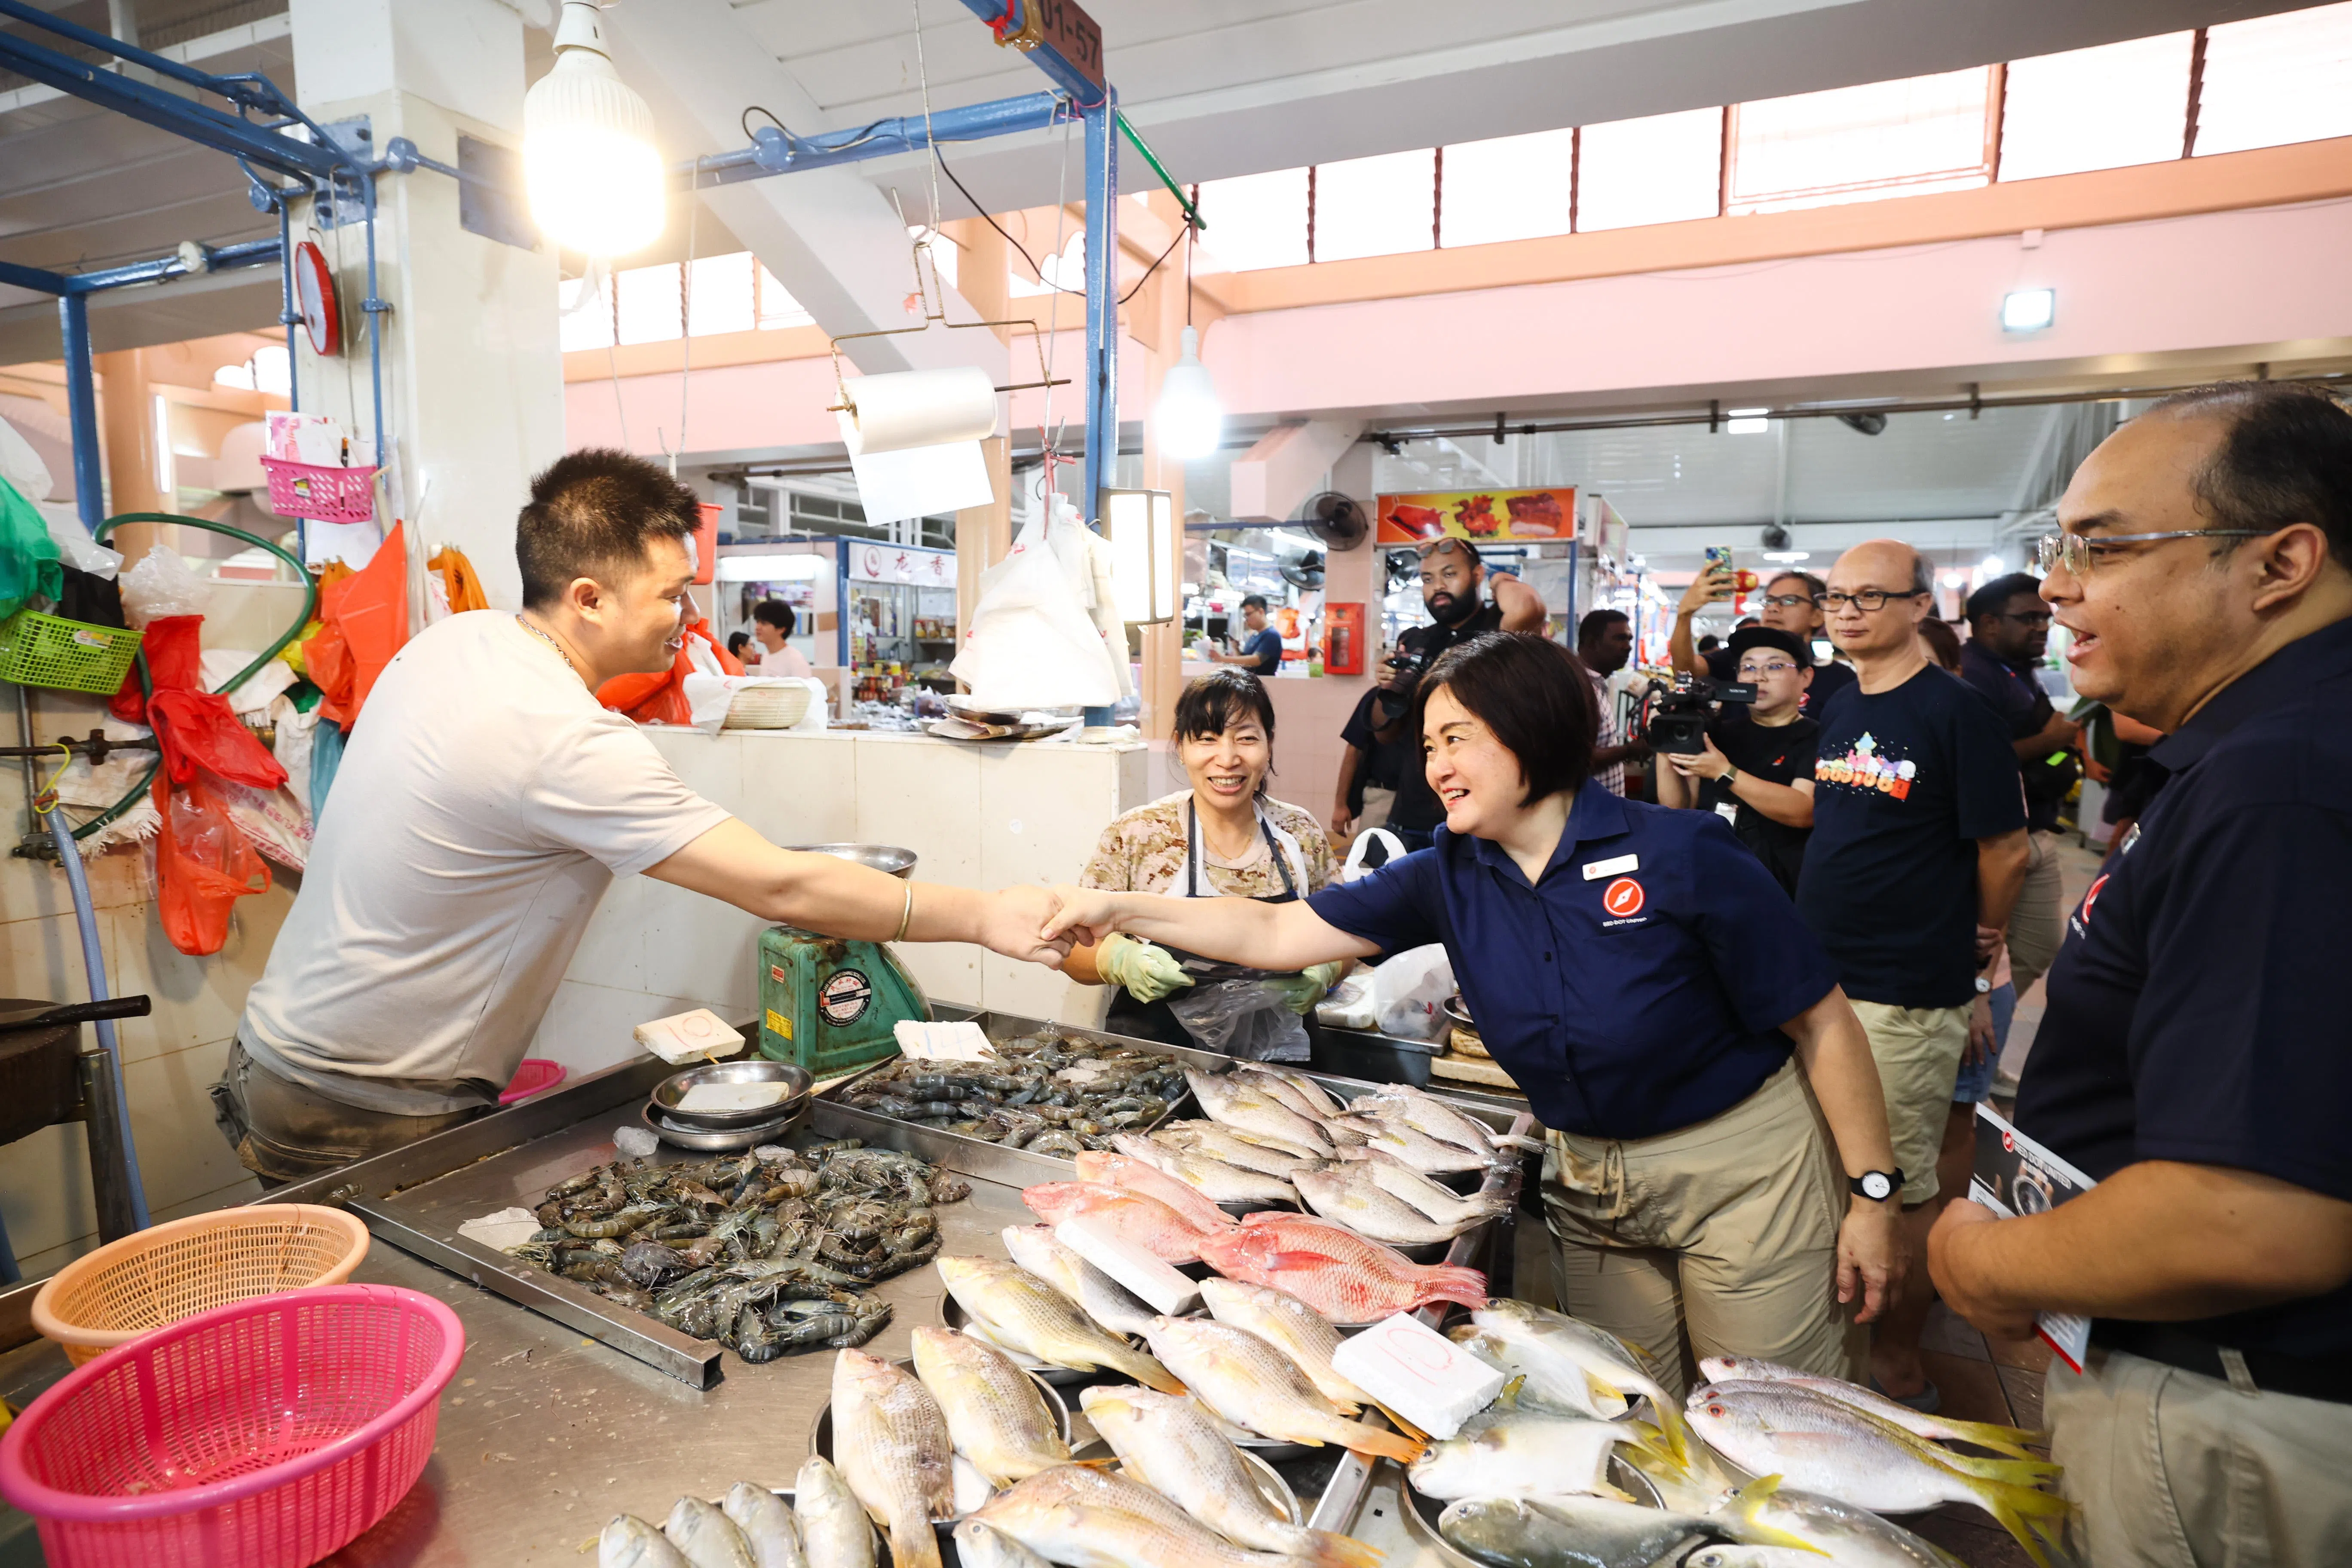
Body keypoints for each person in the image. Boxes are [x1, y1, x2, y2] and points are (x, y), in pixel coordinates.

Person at [1041, 633, 1903, 1398]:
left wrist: (1872, 1196)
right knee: (1631, 1405)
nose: (1435, 767)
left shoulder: (1681, 852)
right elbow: (1274, 931)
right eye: (1428, 746)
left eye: (1457, 738)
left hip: (1744, 1177)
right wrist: (1118, 911)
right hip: (1591, 1185)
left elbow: (1824, 1023)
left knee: (1764, 1413)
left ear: (1533, 731)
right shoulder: (1446, 871)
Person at [211, 450, 1069, 1183]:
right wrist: (985, 916)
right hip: (364, 1106)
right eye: (673, 595)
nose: (690, 618)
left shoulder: (456, 643)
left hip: (273, 1053)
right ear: (588, 598)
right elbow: (783, 886)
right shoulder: (559, 736)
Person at [1929, 383, 2352, 1568]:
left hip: (2236, 1418)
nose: (2057, 588)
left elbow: (2249, 1221)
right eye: (2060, 549)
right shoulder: (2260, 753)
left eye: (2102, 548)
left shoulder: (2284, 785)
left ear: (2279, 563)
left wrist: (1979, 1260)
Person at [1796, 538, 2030, 1410]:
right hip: (1825, 979)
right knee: (1841, 1170)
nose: (1847, 611)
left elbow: (2006, 848)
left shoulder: (1956, 711)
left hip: (1902, 987)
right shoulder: (1840, 701)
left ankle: (1897, 1366)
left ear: (1920, 606)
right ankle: (1843, 1342)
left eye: (1870, 596)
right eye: (1835, 597)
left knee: (1893, 1184)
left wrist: (1983, 946)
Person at [1060, 669, 1342, 1061]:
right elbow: (1072, 948)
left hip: (1282, 1068)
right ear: (1181, 746)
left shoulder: (1300, 833)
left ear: (1269, 744)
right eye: (1207, 739)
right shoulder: (1140, 834)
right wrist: (1119, 961)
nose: (1227, 759)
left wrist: (1328, 968)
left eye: (1246, 738)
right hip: (1158, 1066)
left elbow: (1347, 935)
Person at [1375, 539, 1549, 849]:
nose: (1438, 587)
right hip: (1414, 813)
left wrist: (1498, 577)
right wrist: (1387, 687)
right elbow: (1385, 734)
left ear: (1477, 575)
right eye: (1428, 579)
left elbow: (1528, 606)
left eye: (1450, 574)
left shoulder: (1498, 629)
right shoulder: (1416, 640)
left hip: (1485, 815)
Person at [1959, 573, 2076, 1008]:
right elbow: (1974, 761)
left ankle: (1983, 1027)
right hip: (1998, 838)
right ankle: (1974, 1027)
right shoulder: (1973, 676)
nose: (2042, 627)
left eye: (2046, 618)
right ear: (1989, 623)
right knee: (1985, 952)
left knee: (2037, 946)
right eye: (2029, 618)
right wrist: (2049, 742)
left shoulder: (2017, 670)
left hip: (2036, 827)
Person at [1655, 625, 1819, 897]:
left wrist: (1725, 772)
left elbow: (1802, 811)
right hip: (1712, 873)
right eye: (1748, 668)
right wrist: (1666, 742)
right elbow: (1678, 806)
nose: (1759, 677)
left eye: (1775, 667)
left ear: (1806, 676)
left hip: (1778, 884)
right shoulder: (1717, 732)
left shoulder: (1818, 737)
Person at [1672, 564, 1858, 713]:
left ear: (1817, 616)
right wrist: (1684, 614)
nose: (1773, 608)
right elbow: (1685, 672)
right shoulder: (1737, 659)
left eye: (1789, 601)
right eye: (1769, 601)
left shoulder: (1840, 679)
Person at [1332, 650, 1411, 843]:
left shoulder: (1434, 700)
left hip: (1424, 803)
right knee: (1370, 858)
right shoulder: (1377, 698)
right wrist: (1341, 806)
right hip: (1383, 797)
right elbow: (1353, 750)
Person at [1574, 609, 1649, 796]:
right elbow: (1579, 759)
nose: (1628, 647)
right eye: (1620, 639)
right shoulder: (1578, 688)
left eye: (1629, 640)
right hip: (1590, 810)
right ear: (1592, 643)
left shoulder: (1596, 685)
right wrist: (1630, 750)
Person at [1207, 594, 1283, 676]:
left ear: (1261, 612)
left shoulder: (1272, 635)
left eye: (1249, 614)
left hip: (1263, 682)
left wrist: (1222, 659)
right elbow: (1246, 664)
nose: (1246, 619)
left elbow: (1256, 660)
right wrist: (1236, 649)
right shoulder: (1255, 636)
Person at [750, 597, 815, 679]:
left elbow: (804, 687)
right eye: (758, 622)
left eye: (764, 623)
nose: (758, 627)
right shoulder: (766, 656)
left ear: (781, 629)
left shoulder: (795, 659)